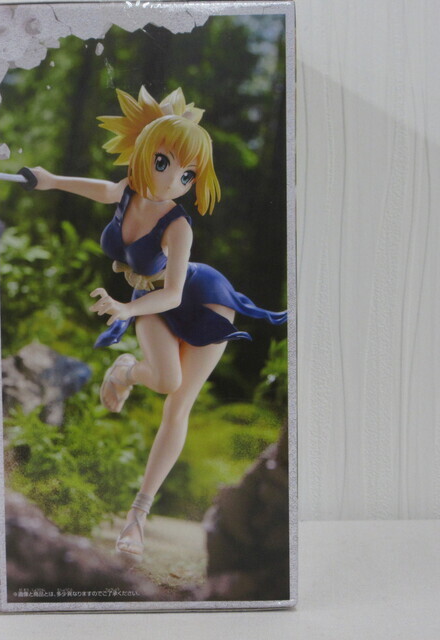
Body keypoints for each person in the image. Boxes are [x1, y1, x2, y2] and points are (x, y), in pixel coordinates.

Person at [27, 86, 286, 562]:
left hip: (202, 298)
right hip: (150, 301)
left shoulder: (179, 225)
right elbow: (104, 190)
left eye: (187, 175)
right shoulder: (127, 189)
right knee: (166, 379)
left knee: (179, 402)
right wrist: (49, 180)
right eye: (164, 163)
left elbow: (174, 292)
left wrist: (126, 310)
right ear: (145, 152)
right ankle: (127, 369)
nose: (172, 182)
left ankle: (137, 517)